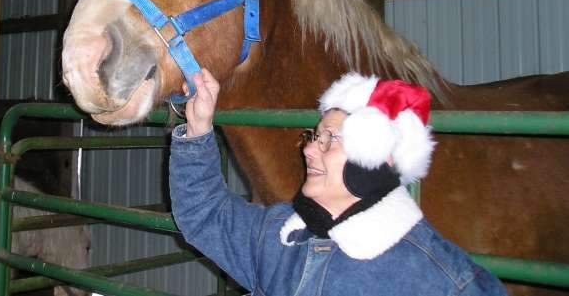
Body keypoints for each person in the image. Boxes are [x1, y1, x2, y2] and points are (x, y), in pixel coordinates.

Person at [169, 69, 507, 296]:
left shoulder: (437, 279)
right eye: (315, 136)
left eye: (330, 139)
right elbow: (205, 214)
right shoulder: (278, 234)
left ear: (377, 158)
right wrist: (199, 127)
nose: (309, 150)